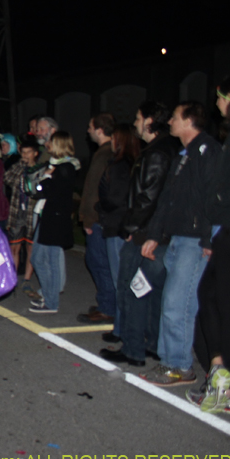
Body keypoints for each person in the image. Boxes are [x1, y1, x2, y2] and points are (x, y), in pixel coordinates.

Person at [136, 102, 219, 387]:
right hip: (177, 239)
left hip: (194, 241)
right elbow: (167, 200)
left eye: (174, 117)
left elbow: (214, 198)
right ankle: (169, 360)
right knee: (172, 303)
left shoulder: (208, 152)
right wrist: (155, 234)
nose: (169, 121)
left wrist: (209, 239)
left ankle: (180, 366)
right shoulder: (184, 154)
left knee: (178, 304)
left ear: (188, 121)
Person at [99, 102, 178, 367]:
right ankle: (153, 344)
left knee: (132, 290)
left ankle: (133, 349)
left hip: (146, 234)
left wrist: (129, 228)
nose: (135, 123)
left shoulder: (156, 153)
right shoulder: (167, 149)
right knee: (153, 292)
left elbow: (147, 198)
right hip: (160, 234)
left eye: (138, 117)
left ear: (150, 121)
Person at [192, 75, 230, 413]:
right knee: (211, 297)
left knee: (229, 306)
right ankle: (220, 369)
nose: (217, 103)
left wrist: (219, 201)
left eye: (220, 97)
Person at [95, 124, 140, 341]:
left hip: (117, 226)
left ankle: (122, 330)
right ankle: (124, 327)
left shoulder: (120, 166)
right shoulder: (132, 163)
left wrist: (101, 206)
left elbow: (116, 198)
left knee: (120, 280)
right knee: (124, 280)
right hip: (122, 225)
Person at [28, 131, 80, 314]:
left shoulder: (66, 167)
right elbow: (40, 190)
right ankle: (49, 296)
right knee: (38, 258)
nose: (48, 144)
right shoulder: (58, 166)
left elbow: (50, 191)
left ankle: (51, 301)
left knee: (50, 260)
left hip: (56, 219)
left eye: (51, 142)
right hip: (49, 216)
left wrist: (47, 178)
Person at [77, 113, 115, 324]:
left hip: (98, 220)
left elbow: (94, 191)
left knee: (99, 262)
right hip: (100, 218)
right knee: (99, 261)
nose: (88, 131)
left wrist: (88, 218)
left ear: (100, 130)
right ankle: (106, 302)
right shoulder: (105, 152)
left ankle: (108, 307)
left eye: (91, 127)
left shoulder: (104, 155)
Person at [3, 137, 45, 296]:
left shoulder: (41, 170)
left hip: (31, 212)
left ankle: (27, 280)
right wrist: (21, 165)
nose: (25, 155)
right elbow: (7, 179)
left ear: (35, 153)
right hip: (16, 213)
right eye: (23, 152)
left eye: (29, 153)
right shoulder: (18, 167)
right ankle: (13, 279)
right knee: (14, 246)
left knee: (30, 247)